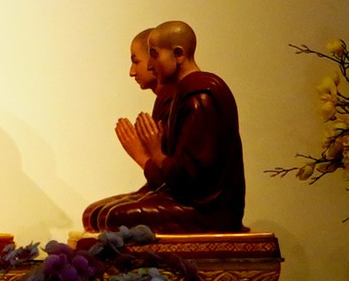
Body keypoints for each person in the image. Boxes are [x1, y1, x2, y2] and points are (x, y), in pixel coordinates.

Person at [83, 21, 245, 233]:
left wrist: (153, 154)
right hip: (186, 197)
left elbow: (193, 182)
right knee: (96, 214)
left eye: (154, 55)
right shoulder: (182, 94)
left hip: (209, 209)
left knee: (113, 217)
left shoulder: (201, 97)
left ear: (178, 54)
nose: (149, 65)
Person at [115, 27, 172, 180]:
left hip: (194, 198)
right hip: (174, 191)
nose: (132, 72)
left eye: (136, 62)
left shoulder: (182, 99)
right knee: (101, 206)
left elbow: (175, 180)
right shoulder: (163, 99)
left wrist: (140, 154)